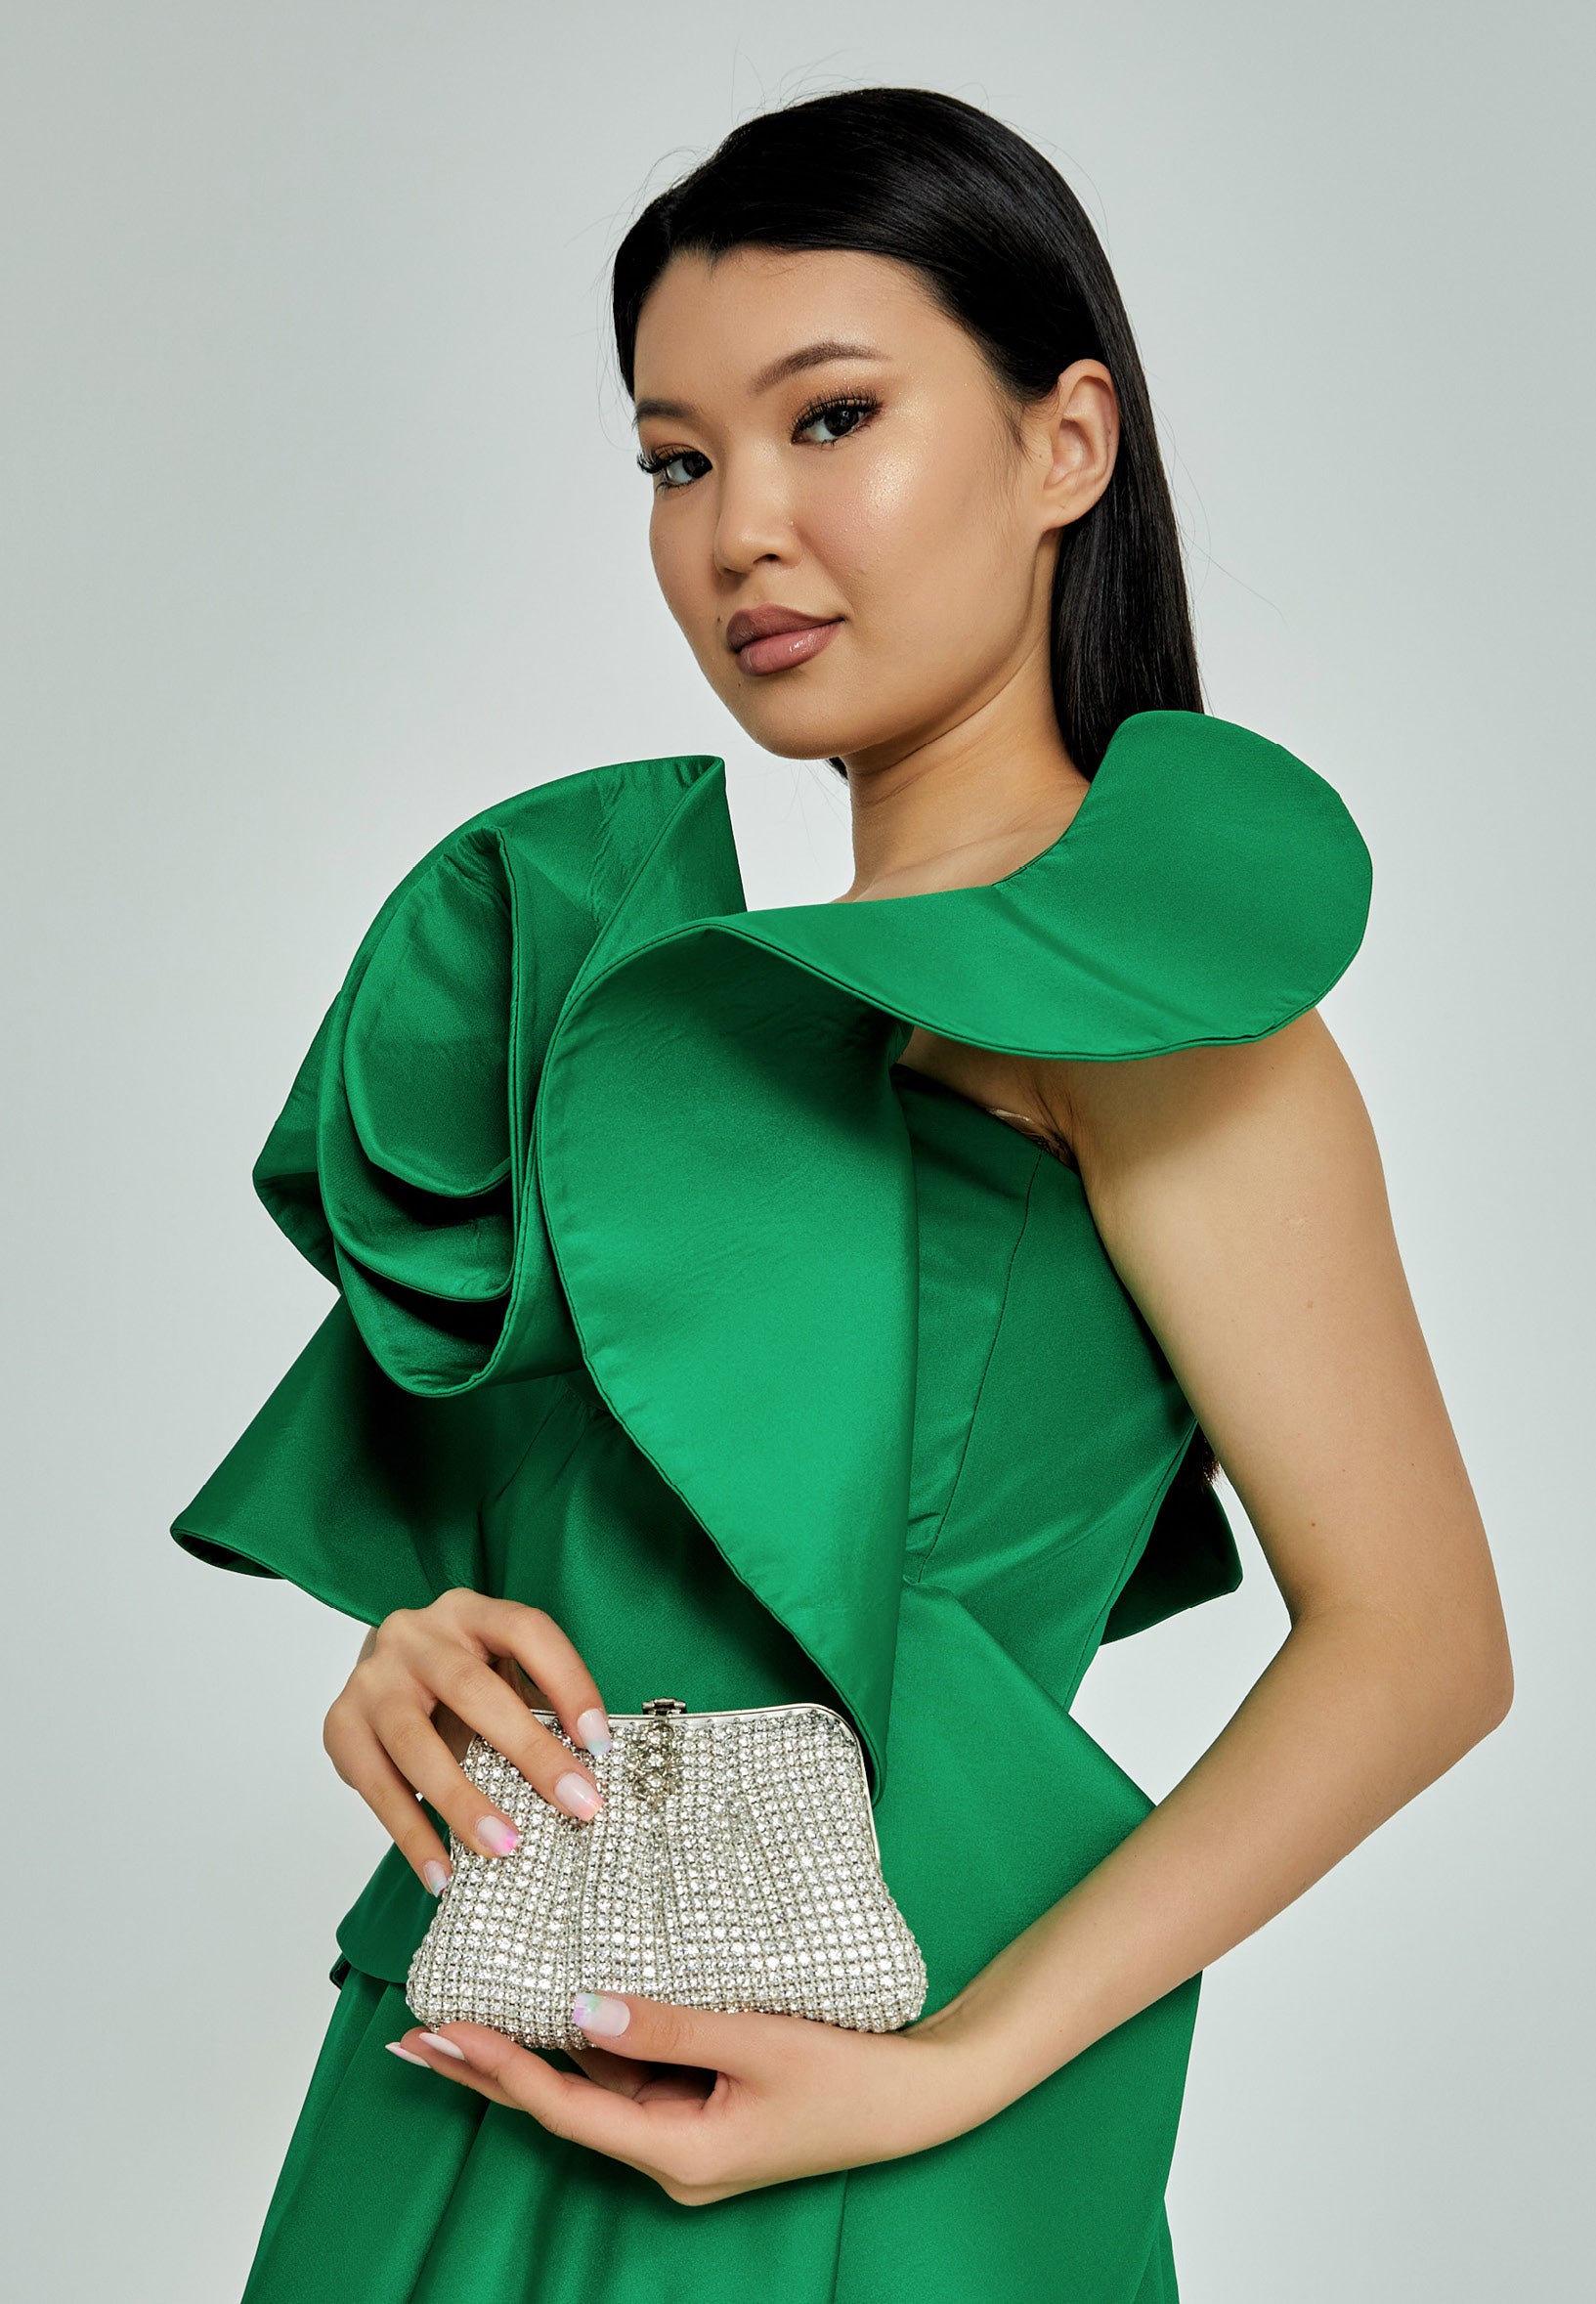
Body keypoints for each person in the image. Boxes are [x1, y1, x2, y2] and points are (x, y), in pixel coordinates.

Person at [172, 84, 1512, 2304]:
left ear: (1064, 443)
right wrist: (417, 1661)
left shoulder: (1149, 1002)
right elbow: (605, 1543)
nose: (741, 533)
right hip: (474, 2061)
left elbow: (1420, 1644)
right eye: (676, 461)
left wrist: (954, 2071)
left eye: (830, 419)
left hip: (868, 2107)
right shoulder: (648, 1010)